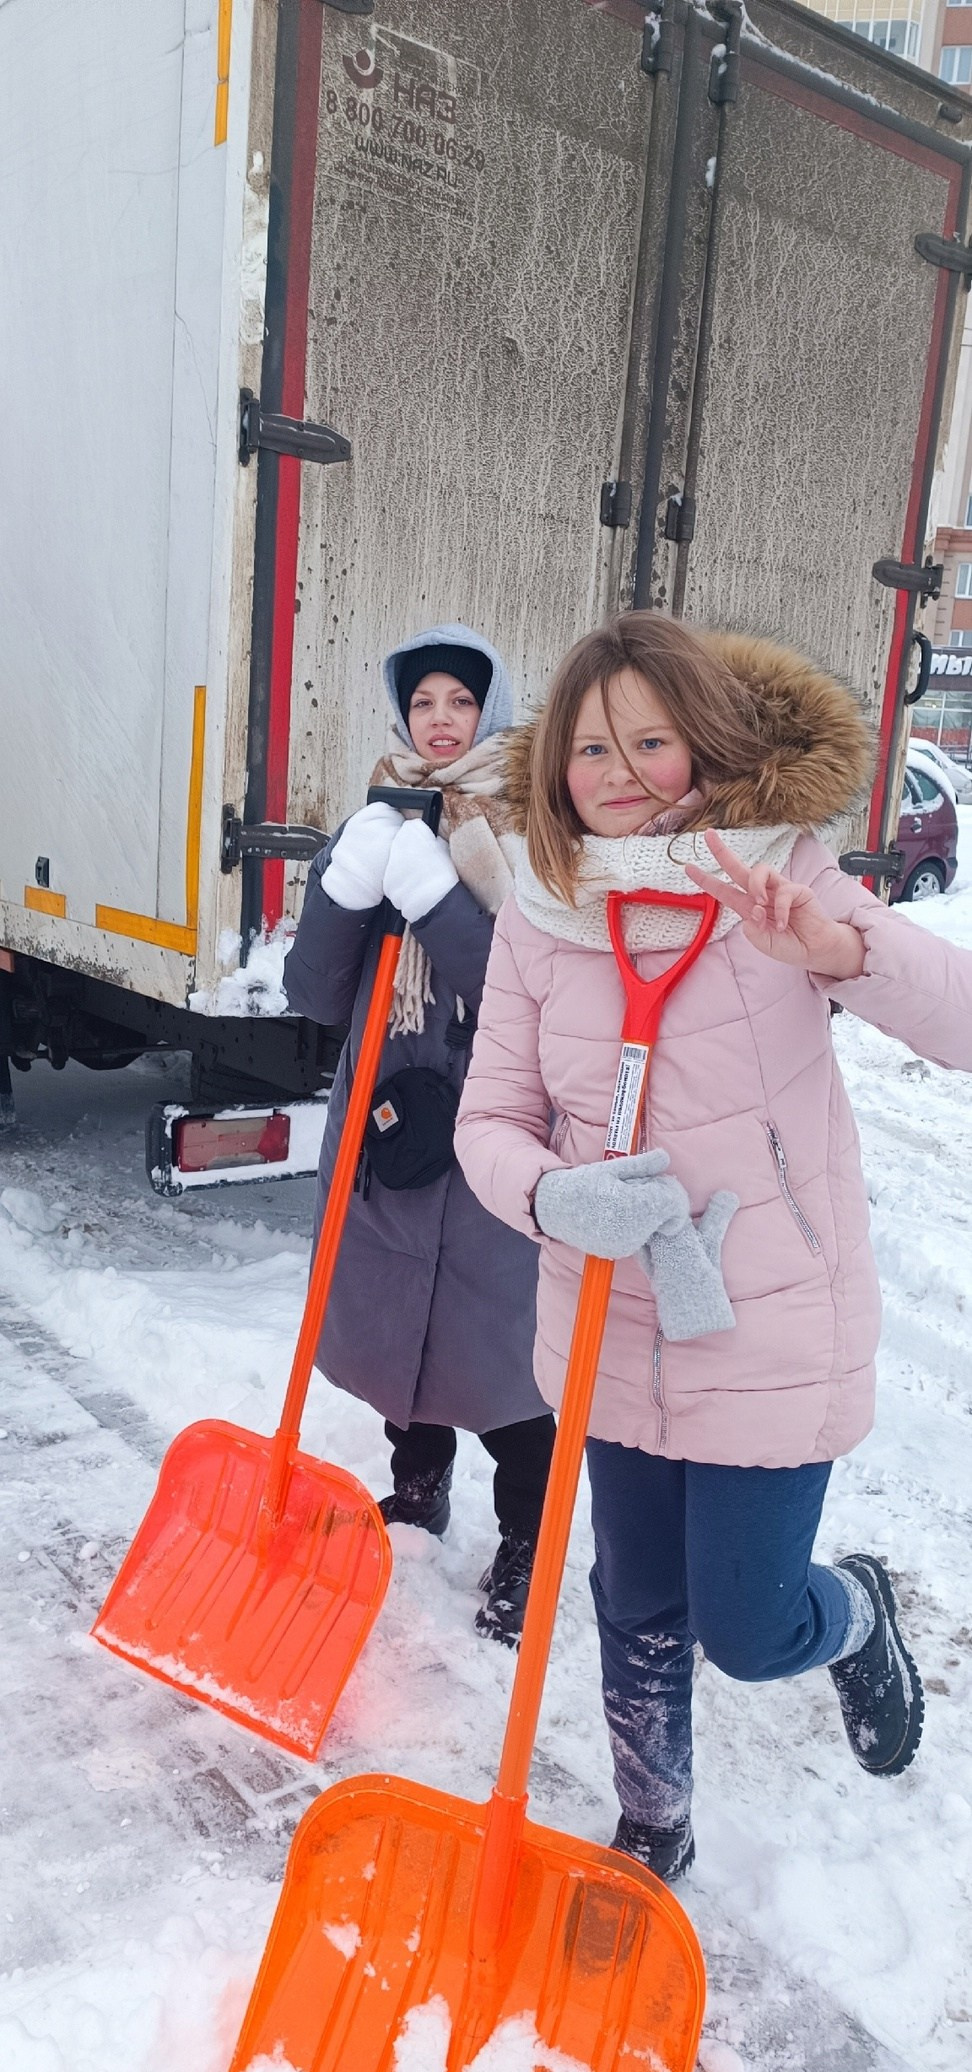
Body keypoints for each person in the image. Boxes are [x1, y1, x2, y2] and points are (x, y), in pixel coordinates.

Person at [454, 610, 972, 1877]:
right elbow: (494, 1118)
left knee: (748, 1625)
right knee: (635, 1605)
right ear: (552, 773)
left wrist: (839, 947)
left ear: (707, 747)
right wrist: (545, 1198)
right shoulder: (540, 910)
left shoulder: (781, 872)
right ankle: (654, 1822)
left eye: (652, 741)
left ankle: (852, 1620)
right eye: (589, 750)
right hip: (609, 1323)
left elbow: (959, 1027)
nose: (620, 774)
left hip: (768, 1319)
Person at [283, 625, 555, 1644]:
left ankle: (526, 1537)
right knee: (400, 1325)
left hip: (497, 1121)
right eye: (425, 702)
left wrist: (435, 897)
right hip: (390, 1118)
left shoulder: (534, 832)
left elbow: (517, 989)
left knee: (506, 1352)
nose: (441, 721)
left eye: (462, 701)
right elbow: (314, 994)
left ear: (494, 709)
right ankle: (420, 1486)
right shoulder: (377, 813)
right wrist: (343, 888)